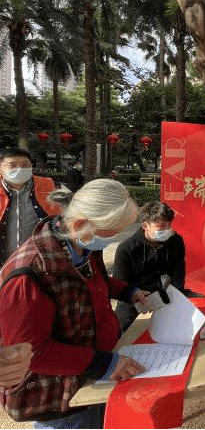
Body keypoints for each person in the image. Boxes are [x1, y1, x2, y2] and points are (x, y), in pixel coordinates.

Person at [0, 179, 150, 428]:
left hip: (91, 375)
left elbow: (90, 281)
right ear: (80, 223)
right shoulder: (29, 274)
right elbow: (30, 353)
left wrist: (127, 292)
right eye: (111, 232)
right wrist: (104, 363)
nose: (112, 239)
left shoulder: (79, 242)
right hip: (61, 396)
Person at [113, 201, 195, 332]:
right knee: (121, 328)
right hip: (135, 298)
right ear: (145, 225)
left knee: (200, 309)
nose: (167, 231)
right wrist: (137, 297)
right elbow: (121, 285)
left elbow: (178, 273)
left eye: (169, 226)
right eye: (160, 227)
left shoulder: (175, 241)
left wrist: (172, 293)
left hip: (167, 292)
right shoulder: (126, 249)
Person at [0, 147, 59, 266]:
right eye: (12, 165)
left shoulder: (47, 187)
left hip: (38, 262)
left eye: (25, 165)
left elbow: (58, 219)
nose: (20, 169)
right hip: (4, 262)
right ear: (1, 169)